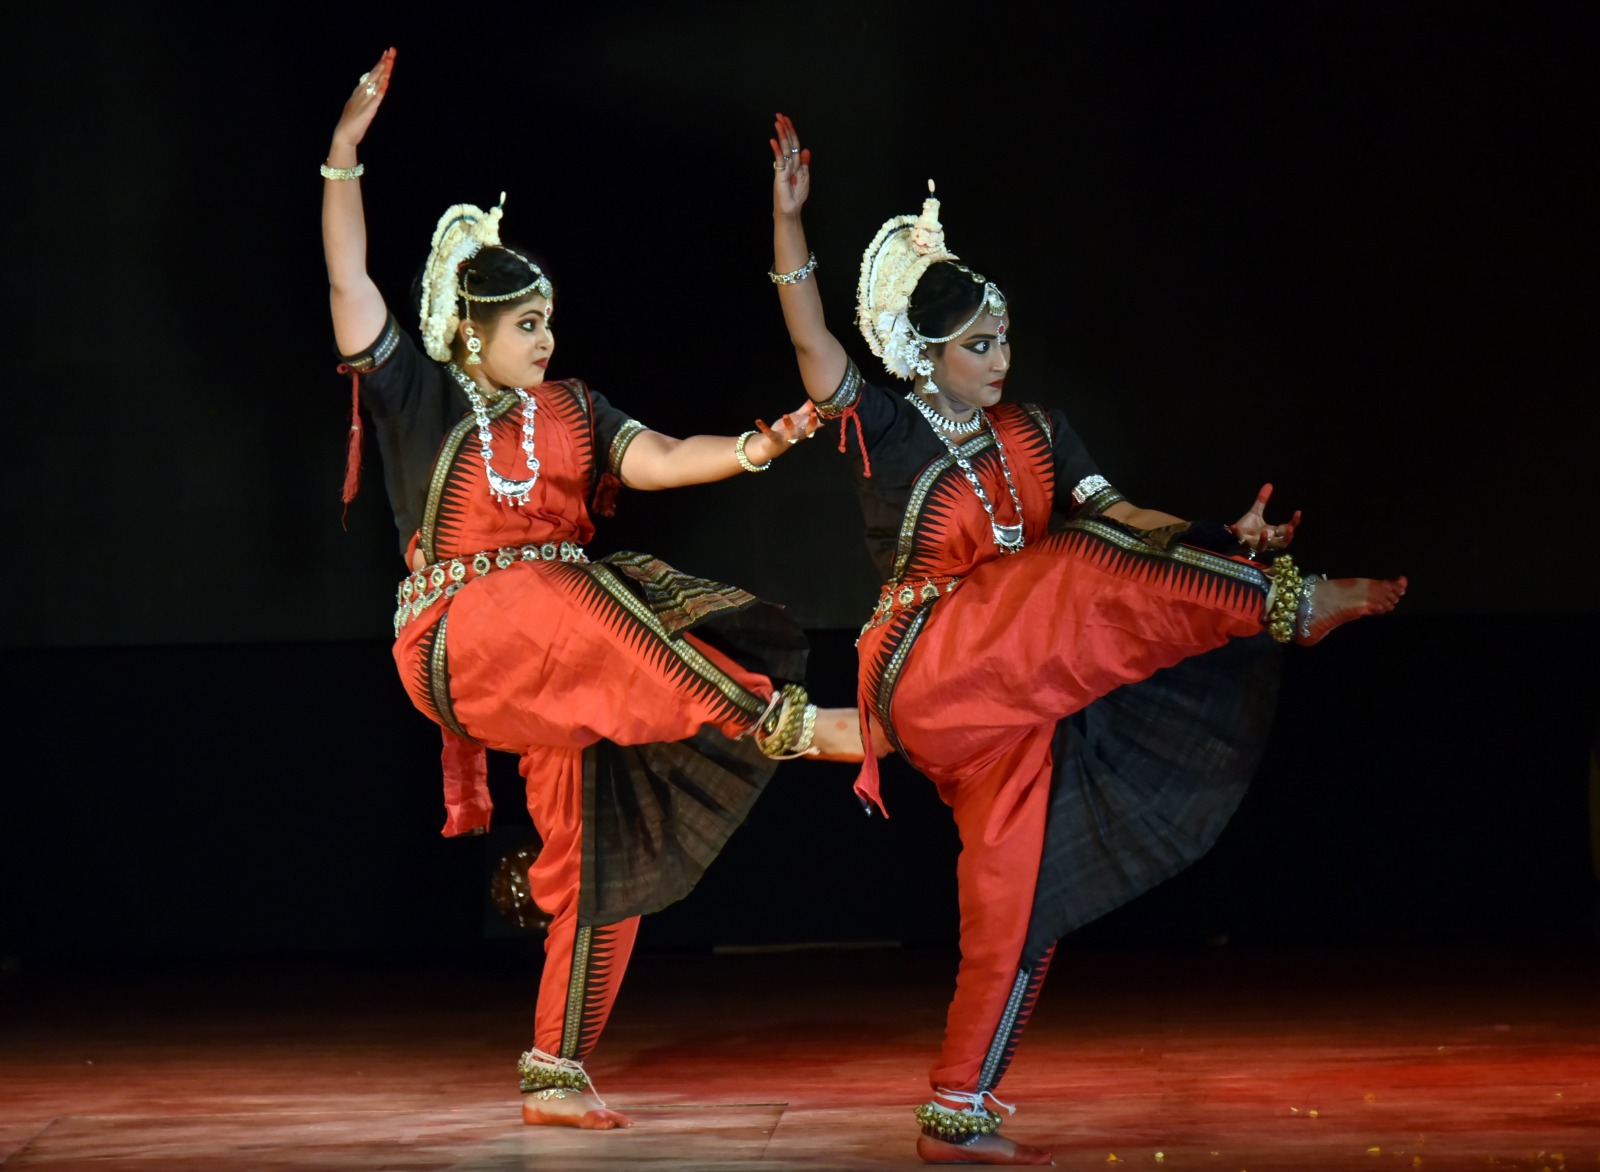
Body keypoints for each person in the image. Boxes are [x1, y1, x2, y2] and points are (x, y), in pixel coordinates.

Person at [764, 113, 1406, 1165]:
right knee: (1069, 568)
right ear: (926, 353)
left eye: (1004, 338)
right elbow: (810, 344)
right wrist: (789, 223)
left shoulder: (1039, 429)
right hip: (931, 668)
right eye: (978, 346)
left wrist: (1216, 535)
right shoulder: (887, 429)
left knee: (1018, 899)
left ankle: (957, 1105)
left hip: (1014, 701)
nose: (1000, 359)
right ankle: (1286, 605)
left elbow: (1122, 519)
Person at [320, 53, 862, 1132]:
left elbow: (655, 458)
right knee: (570, 589)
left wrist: (757, 446)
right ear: (472, 332)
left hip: (565, 655)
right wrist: (343, 155)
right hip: (464, 640)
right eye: (526, 325)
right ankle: (783, 720)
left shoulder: (571, 408)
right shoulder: (418, 395)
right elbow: (349, 285)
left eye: (549, 321)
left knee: (604, 848)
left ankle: (554, 1068)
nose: (546, 339)